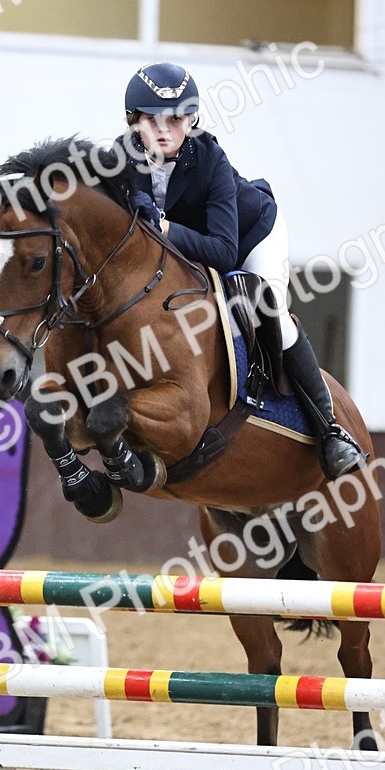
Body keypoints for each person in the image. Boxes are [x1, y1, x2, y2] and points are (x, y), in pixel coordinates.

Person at [117, 61, 366, 479]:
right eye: (153, 120)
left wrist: (163, 227)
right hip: (190, 250)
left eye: (176, 119)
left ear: (190, 121)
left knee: (270, 309)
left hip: (251, 237)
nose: (164, 130)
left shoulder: (210, 158)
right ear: (133, 121)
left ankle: (330, 431)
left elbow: (223, 251)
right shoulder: (122, 156)